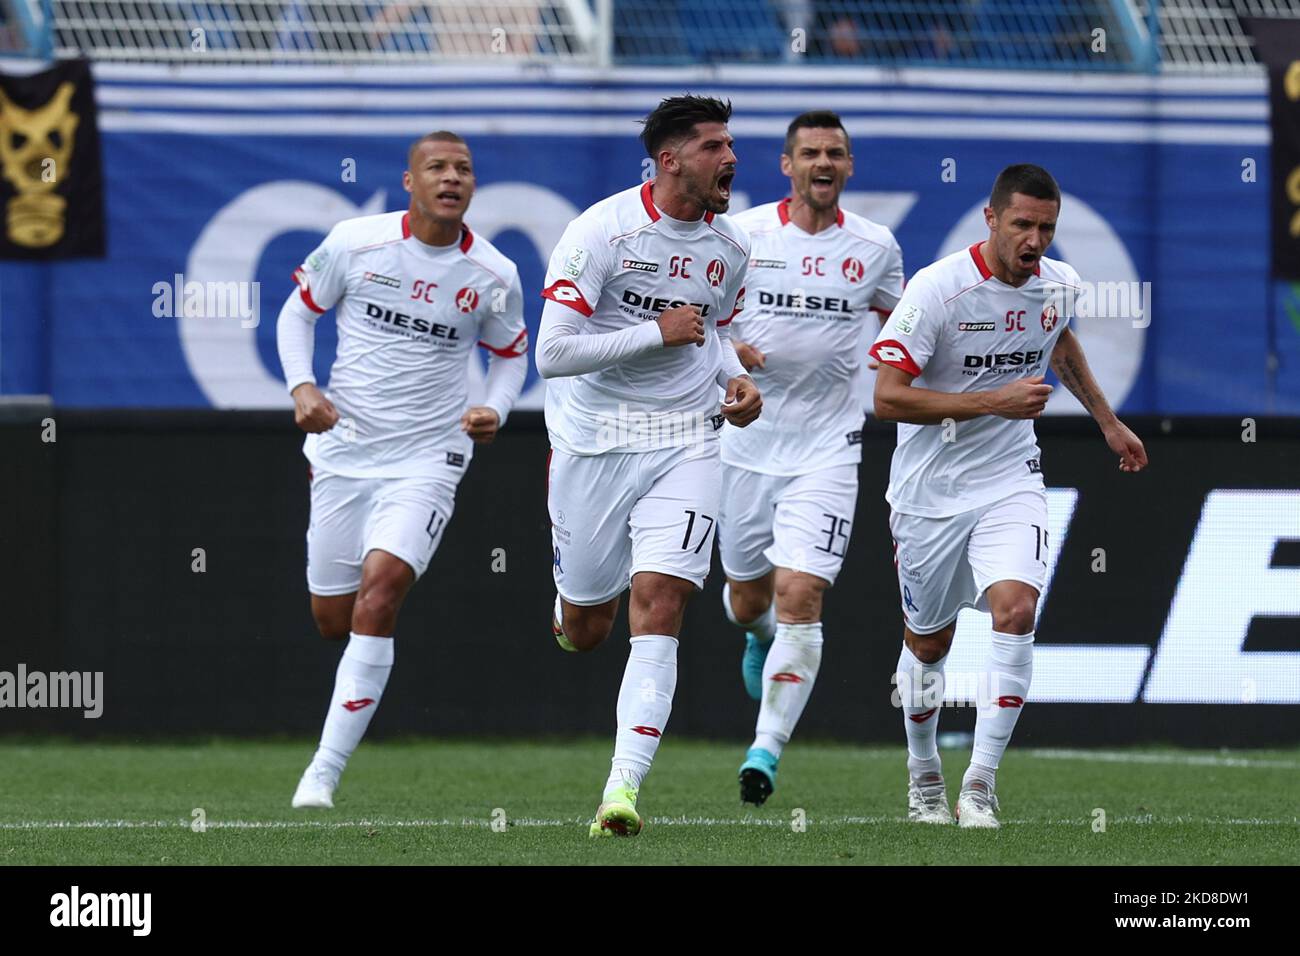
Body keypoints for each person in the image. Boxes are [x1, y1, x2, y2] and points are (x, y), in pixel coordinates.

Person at [870, 163, 1147, 828]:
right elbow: (886, 398)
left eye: (1046, 228)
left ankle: (982, 784)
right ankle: (923, 773)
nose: (1035, 239)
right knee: (928, 645)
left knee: (1016, 612)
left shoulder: (1059, 284)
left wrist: (1108, 422)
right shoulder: (936, 292)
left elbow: (1058, 339)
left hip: (1009, 479)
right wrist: (994, 399)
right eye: (1022, 224)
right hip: (927, 493)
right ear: (991, 219)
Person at [278, 131, 528, 809]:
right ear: (410, 181)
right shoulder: (355, 241)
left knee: (381, 592)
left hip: (429, 456)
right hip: (345, 451)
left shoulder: (494, 274)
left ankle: (322, 774)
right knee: (333, 618)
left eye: (464, 169)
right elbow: (297, 315)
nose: (452, 178)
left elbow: (511, 354)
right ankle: (329, 753)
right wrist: (302, 387)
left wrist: (497, 407)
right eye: (437, 168)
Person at [536, 95, 761, 837]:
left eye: (731, 145)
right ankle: (570, 608)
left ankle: (620, 792)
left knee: (661, 602)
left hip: (687, 441)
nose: (730, 158)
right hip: (594, 444)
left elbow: (714, 331)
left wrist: (736, 378)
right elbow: (553, 354)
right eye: (714, 147)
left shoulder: (729, 246)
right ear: (670, 160)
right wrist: (652, 332)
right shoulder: (600, 231)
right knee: (589, 626)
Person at [721, 110, 903, 804]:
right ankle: (757, 634)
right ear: (787, 166)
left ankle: (765, 749)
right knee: (746, 601)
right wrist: (728, 349)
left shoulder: (875, 247)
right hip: (743, 442)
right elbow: (701, 317)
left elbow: (905, 325)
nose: (823, 164)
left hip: (828, 447)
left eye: (836, 154)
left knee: (803, 593)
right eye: (811, 154)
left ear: (849, 168)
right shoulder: (742, 236)